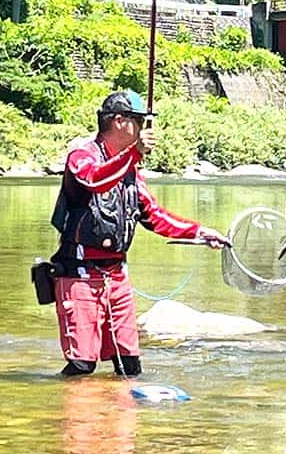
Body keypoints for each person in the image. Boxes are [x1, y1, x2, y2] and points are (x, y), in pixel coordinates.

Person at [48, 89, 226, 377]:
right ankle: (74, 418)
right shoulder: (80, 158)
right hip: (79, 275)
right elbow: (95, 180)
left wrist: (200, 233)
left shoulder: (131, 171)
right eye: (139, 122)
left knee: (129, 366)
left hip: (117, 278)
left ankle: (121, 417)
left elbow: (154, 216)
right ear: (119, 121)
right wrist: (134, 154)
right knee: (82, 367)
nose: (144, 129)